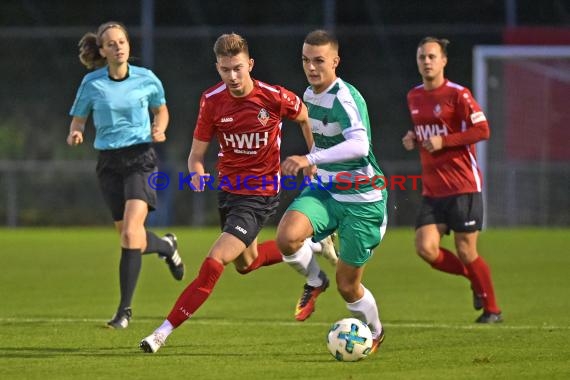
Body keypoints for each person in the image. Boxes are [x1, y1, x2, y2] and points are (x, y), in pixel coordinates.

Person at [139, 32, 337, 353]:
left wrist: (312, 158)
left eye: (238, 68)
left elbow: (304, 118)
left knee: (215, 261)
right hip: (229, 192)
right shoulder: (212, 100)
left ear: (250, 65)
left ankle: (162, 332)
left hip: (260, 194)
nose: (232, 76)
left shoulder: (273, 97)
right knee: (247, 263)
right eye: (225, 69)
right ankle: (311, 245)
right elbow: (196, 156)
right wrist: (196, 173)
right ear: (217, 67)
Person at [67, 21, 185, 329]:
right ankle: (166, 247)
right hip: (108, 164)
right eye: (111, 43)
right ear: (103, 51)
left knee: (132, 233)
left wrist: (161, 126)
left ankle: (124, 311)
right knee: (129, 237)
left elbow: (162, 109)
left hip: (140, 160)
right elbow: (79, 119)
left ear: (128, 46)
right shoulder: (92, 84)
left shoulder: (147, 79)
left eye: (122, 41)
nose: (118, 46)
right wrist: (76, 133)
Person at [276, 29, 387, 353]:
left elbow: (359, 144)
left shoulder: (345, 97)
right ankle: (314, 280)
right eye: (306, 60)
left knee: (348, 285)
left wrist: (309, 158)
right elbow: (317, 133)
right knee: (287, 237)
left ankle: (376, 332)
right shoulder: (309, 95)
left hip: (363, 200)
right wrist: (315, 163)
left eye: (319, 61)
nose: (311, 67)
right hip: (326, 189)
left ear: (335, 61)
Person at [402, 36, 502, 323]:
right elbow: (426, 136)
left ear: (444, 60)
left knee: (466, 250)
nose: (427, 62)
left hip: (463, 186)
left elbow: (483, 131)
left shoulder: (459, 94)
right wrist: (414, 139)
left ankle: (492, 310)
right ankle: (474, 279)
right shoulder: (414, 96)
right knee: (425, 248)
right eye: (422, 57)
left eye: (432, 56)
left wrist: (444, 141)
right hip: (433, 189)